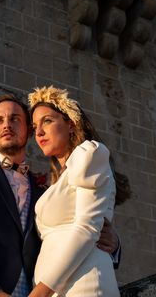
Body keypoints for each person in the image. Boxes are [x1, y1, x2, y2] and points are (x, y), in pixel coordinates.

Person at [0, 94, 119, 297]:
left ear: (28, 131)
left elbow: (78, 226)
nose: (6, 125)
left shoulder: (44, 189)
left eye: (15, 119)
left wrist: (114, 245)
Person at [28, 86, 129, 297]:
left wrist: (39, 293)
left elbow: (86, 228)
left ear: (71, 124)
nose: (38, 132)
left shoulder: (89, 154)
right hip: (57, 288)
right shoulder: (58, 180)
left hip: (84, 284)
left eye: (47, 121)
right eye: (35, 126)